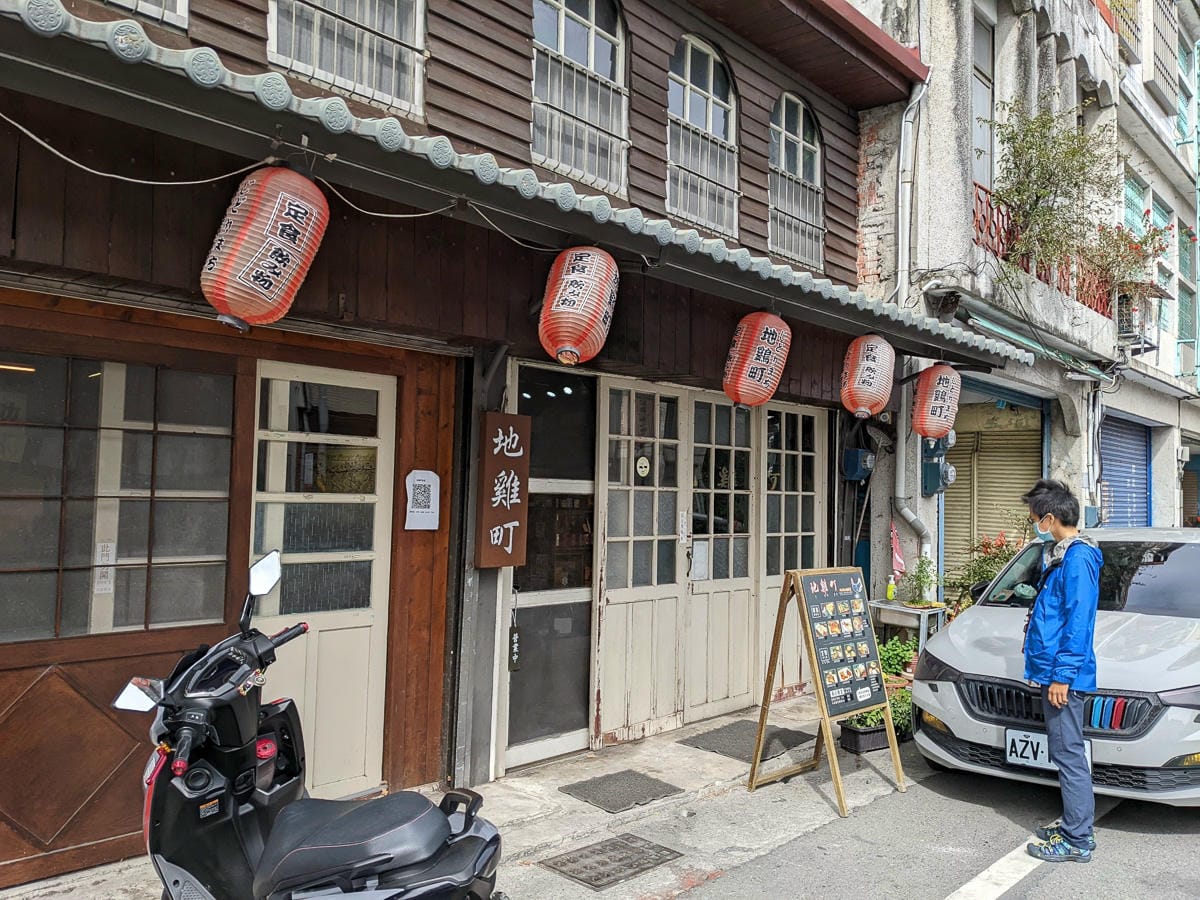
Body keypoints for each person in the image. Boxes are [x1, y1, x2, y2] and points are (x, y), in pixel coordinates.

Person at [1020, 479, 1103, 863]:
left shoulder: (1078, 559)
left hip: (1064, 675)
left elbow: (1078, 623)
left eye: (1034, 519)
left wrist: (1061, 677)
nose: (1034, 525)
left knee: (1068, 754)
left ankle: (1077, 840)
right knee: (1065, 751)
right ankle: (1076, 826)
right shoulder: (1064, 555)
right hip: (1056, 670)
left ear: (1050, 518)